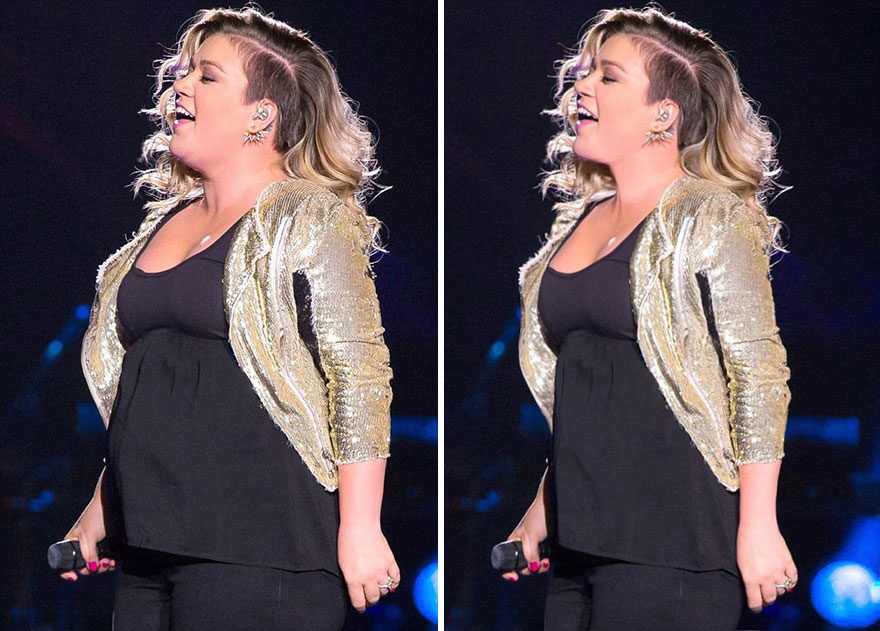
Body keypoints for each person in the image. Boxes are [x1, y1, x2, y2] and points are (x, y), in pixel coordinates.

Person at [58, 7, 399, 629]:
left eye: (206, 76)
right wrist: (100, 507)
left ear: (261, 115)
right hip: (147, 549)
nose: (180, 86)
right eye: (182, 72)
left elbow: (359, 374)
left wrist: (361, 527)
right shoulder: (158, 228)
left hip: (264, 549)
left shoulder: (308, 216)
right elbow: (155, 390)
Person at [501, 7, 797, 630]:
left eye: (608, 77)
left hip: (676, 543)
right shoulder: (577, 223)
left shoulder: (710, 216)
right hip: (579, 546)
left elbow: (758, 375)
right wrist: (541, 508)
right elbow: (593, 392)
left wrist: (759, 525)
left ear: (663, 114)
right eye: (583, 74)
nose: (581, 87)